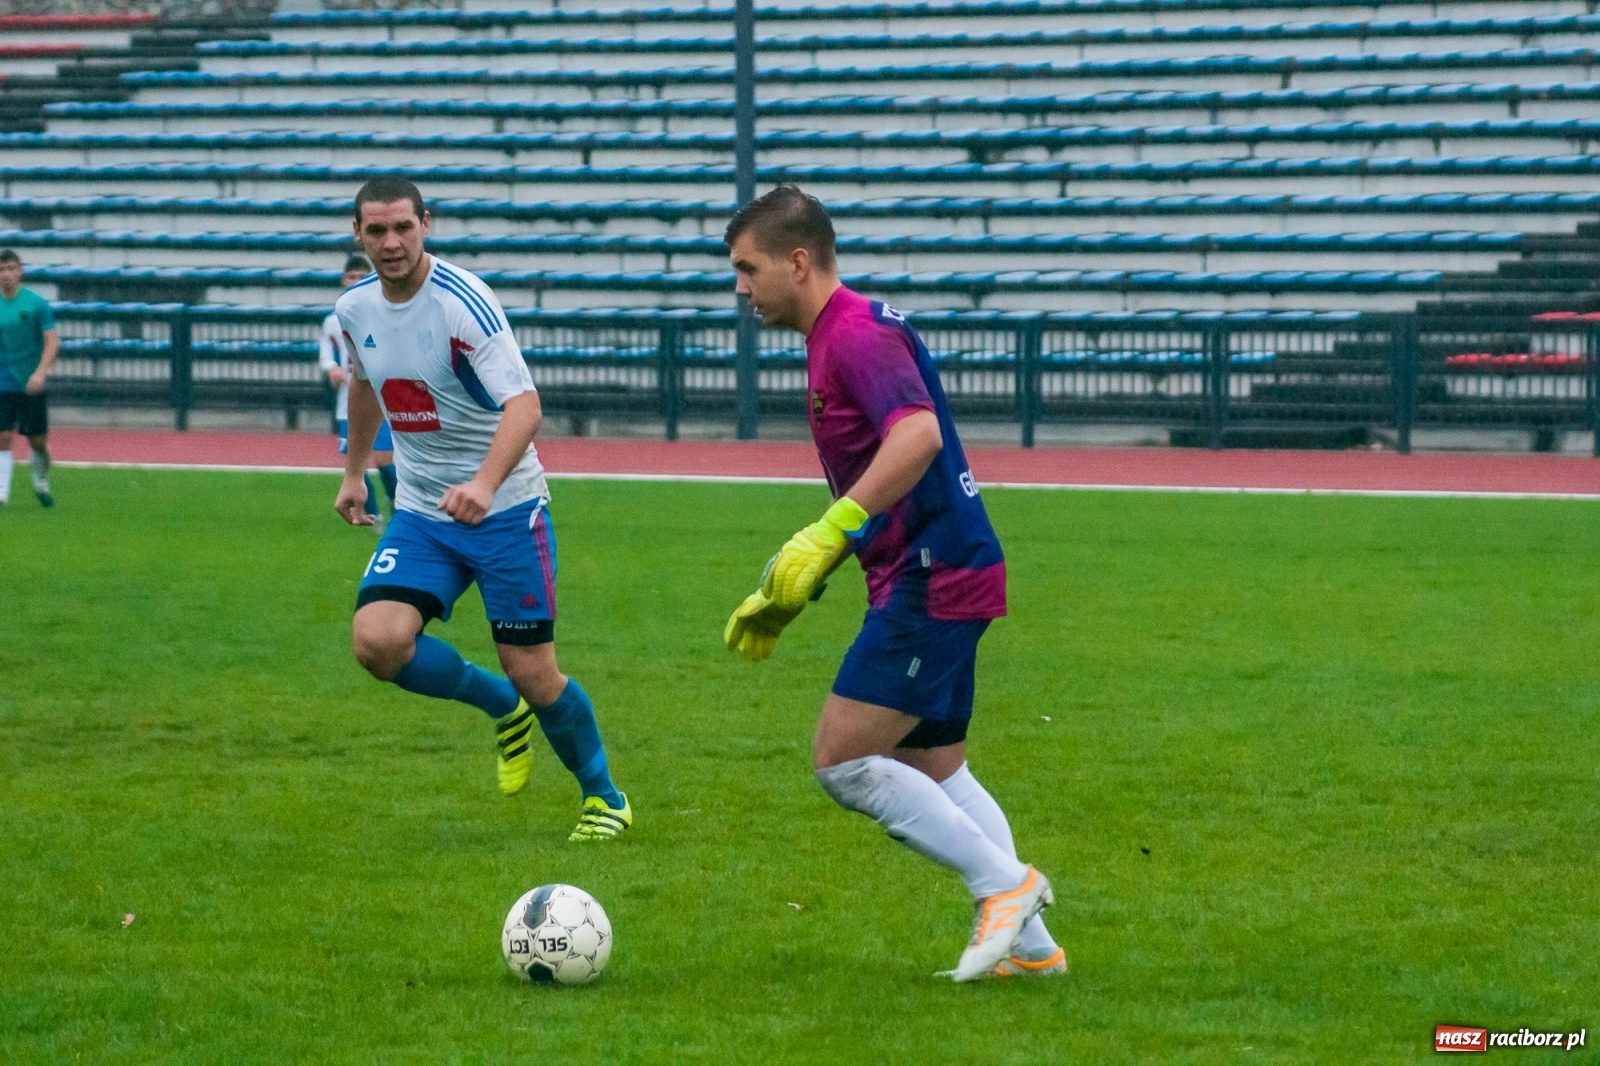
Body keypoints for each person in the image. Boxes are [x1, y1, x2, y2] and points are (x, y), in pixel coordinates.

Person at [722, 186, 1061, 981]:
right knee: (934, 766)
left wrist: (829, 531)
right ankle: (1034, 952)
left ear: (797, 262)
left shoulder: (853, 338)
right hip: (939, 566)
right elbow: (882, 471)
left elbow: (916, 438)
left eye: (748, 268)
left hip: (932, 574)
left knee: (842, 760)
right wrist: (800, 582)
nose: (741, 287)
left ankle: (1005, 889)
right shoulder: (842, 332)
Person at [333, 177, 631, 842]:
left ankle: (605, 797)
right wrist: (355, 471)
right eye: (376, 231)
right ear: (357, 235)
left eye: (403, 227)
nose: (391, 242)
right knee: (377, 642)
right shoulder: (354, 308)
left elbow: (525, 406)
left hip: (505, 511)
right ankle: (500, 706)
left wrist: (486, 486)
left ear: (426, 224)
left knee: (533, 670)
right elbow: (363, 384)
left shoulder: (464, 303)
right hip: (422, 513)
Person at [319, 253, 396, 530]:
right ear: (343, 280)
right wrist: (331, 368)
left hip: (382, 400)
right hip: (348, 402)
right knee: (357, 462)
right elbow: (327, 353)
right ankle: (373, 517)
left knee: (385, 458)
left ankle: (397, 502)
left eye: (362, 277)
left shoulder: (380, 314)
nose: (356, 281)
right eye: (352, 277)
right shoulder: (334, 320)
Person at [0, 249, 59, 508]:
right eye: (2, 269)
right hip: (3, 379)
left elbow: (51, 342)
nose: (6, 275)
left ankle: (41, 480)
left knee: (37, 442)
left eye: (11, 268)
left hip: (30, 381)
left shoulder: (36, 304)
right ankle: (2, 493)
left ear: (20, 271)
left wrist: (41, 372)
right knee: (2, 436)